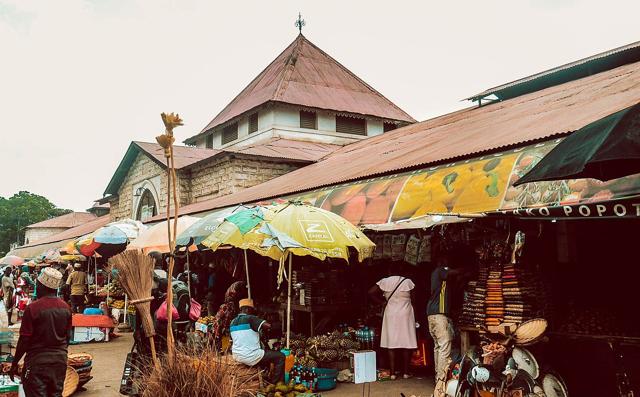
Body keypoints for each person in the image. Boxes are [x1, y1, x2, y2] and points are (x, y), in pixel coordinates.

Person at [9, 267, 72, 397]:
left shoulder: (33, 308)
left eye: (37, 284)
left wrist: (14, 363)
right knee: (55, 394)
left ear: (41, 286)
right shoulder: (66, 307)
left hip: (37, 363)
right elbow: (68, 337)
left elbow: (24, 339)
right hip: (59, 361)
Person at [369, 265, 417, 380]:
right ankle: (406, 372)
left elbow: (370, 292)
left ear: (389, 271)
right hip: (406, 313)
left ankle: (392, 374)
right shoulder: (408, 282)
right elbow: (414, 300)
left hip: (391, 313)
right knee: (406, 341)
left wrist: (381, 302)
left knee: (392, 343)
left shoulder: (384, 281)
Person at [427, 254, 462, 388]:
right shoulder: (441, 271)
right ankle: (441, 380)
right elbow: (454, 272)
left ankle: (438, 379)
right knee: (444, 347)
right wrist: (465, 270)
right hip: (439, 315)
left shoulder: (437, 275)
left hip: (432, 315)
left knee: (438, 347)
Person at [229, 299, 284, 384]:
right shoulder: (250, 318)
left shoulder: (232, 322)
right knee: (280, 356)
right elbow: (268, 326)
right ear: (247, 309)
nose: (252, 312)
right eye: (251, 310)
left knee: (266, 354)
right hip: (250, 356)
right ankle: (274, 383)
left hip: (236, 355)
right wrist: (277, 324)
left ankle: (265, 375)